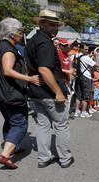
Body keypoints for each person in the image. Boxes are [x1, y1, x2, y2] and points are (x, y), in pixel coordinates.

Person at [26, 10, 74, 168]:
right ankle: (65, 158)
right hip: (49, 92)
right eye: (51, 25)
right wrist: (58, 92)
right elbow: (44, 70)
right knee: (61, 125)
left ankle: (44, 157)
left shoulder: (33, 40)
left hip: (36, 91)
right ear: (41, 23)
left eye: (56, 25)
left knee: (43, 125)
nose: (55, 28)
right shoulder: (44, 42)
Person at [0, 18, 40, 169]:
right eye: (20, 32)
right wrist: (29, 78)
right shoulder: (8, 49)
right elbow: (7, 70)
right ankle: (5, 155)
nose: (21, 34)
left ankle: (13, 146)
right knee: (20, 124)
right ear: (12, 34)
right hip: (9, 92)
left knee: (10, 120)